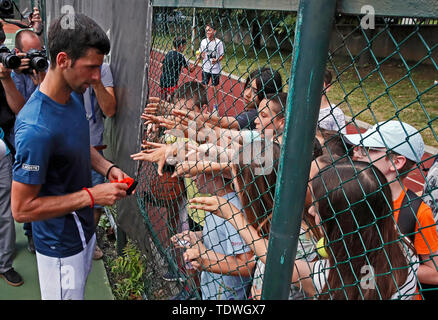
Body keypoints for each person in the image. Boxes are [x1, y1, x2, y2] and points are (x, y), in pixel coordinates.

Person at [11, 13, 131, 300]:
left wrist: (107, 167)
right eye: (91, 67)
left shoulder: (74, 94)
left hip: (83, 231)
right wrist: (92, 197)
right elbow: (21, 209)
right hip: (60, 247)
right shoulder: (36, 128)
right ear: (63, 60)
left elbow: (78, 144)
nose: (96, 76)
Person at [191, 160, 419, 300]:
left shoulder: (334, 274)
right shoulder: (404, 253)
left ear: (341, 225)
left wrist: (234, 216)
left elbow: (278, 263)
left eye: (319, 210)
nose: (311, 213)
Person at [344, 120, 438, 300]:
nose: (356, 153)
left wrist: (387, 267)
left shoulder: (416, 212)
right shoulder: (356, 196)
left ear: (396, 162)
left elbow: (434, 273)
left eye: (368, 149)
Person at [11, 28, 48, 254]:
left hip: (47, 141)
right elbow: (22, 110)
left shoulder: (45, 71)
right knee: (28, 191)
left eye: (40, 52)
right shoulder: (13, 75)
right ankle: (31, 233)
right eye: (31, 53)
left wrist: (43, 78)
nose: (37, 57)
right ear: (18, 53)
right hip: (23, 143)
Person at [79, 62, 117, 260]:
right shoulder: (57, 65)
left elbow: (110, 110)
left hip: (93, 147)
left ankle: (88, 240)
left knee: (96, 202)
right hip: (64, 147)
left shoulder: (101, 68)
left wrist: (96, 83)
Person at [0, 21, 24, 287]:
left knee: (5, 211)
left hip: (2, 145)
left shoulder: (5, 67)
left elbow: (18, 108)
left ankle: (4, 263)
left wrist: (6, 78)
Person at [195, 23, 224, 106]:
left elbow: (222, 55)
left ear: (214, 31)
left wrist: (217, 60)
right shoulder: (203, 41)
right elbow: (200, 53)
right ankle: (204, 105)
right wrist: (200, 55)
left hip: (215, 69)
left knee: (214, 88)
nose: (207, 32)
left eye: (209, 30)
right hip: (206, 68)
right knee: (203, 88)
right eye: (206, 30)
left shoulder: (219, 43)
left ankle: (215, 106)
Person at [159, 37, 195, 101]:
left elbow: (161, 66)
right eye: (184, 46)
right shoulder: (181, 56)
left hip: (163, 81)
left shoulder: (169, 53)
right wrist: (198, 60)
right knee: (174, 102)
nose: (185, 48)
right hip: (172, 84)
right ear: (181, 46)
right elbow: (191, 70)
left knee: (163, 101)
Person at [318, 69, 346, 134]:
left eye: (318, 83)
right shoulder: (298, 108)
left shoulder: (336, 113)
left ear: (327, 87)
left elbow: (340, 140)